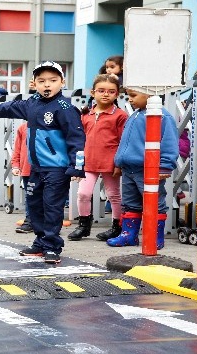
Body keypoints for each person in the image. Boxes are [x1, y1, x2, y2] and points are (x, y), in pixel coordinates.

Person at [0, 61, 86, 264]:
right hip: (35, 167)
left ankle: (53, 245)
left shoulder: (65, 108)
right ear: (34, 83)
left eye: (53, 81)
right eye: (42, 81)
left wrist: (77, 166)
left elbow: (76, 139)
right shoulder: (32, 104)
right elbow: (10, 107)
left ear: (62, 82)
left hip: (57, 167)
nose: (47, 85)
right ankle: (40, 241)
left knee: (52, 206)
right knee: (35, 205)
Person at [107, 89, 178, 249]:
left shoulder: (162, 116)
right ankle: (129, 235)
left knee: (154, 202)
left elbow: (169, 141)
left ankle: (154, 236)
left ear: (149, 95)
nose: (130, 99)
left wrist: (165, 165)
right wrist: (119, 162)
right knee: (130, 203)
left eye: (133, 96)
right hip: (128, 168)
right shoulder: (135, 114)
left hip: (149, 169)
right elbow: (125, 141)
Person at [66, 74, 128, 242]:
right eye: (101, 90)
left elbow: (124, 141)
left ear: (117, 94)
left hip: (111, 162)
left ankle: (117, 226)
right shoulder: (86, 114)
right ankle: (84, 225)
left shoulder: (120, 115)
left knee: (114, 195)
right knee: (83, 194)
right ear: (93, 92)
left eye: (111, 91)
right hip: (89, 162)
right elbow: (79, 140)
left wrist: (119, 163)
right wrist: (77, 165)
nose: (105, 94)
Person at [12, 121, 32, 233]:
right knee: (30, 196)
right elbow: (18, 148)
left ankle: (48, 223)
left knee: (47, 196)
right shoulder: (23, 127)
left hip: (46, 168)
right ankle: (30, 220)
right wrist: (15, 165)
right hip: (27, 168)